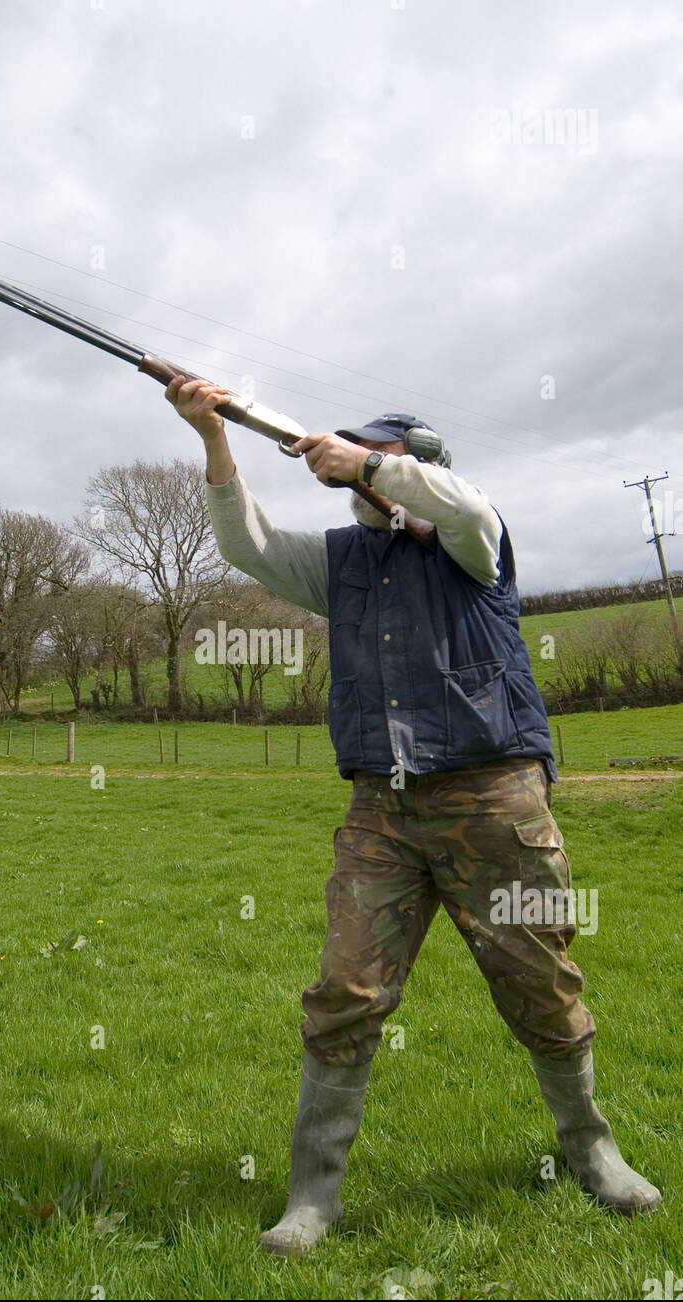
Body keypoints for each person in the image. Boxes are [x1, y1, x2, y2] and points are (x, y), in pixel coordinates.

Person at [164, 374, 662, 1257]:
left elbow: (456, 504)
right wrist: (213, 435)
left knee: (539, 983)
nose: (355, 468)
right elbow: (246, 545)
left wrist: (364, 464)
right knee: (343, 993)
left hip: (493, 798)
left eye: (377, 456)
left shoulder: (472, 538)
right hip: (380, 810)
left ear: (416, 465)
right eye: (354, 454)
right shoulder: (342, 561)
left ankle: (593, 1153)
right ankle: (312, 1200)